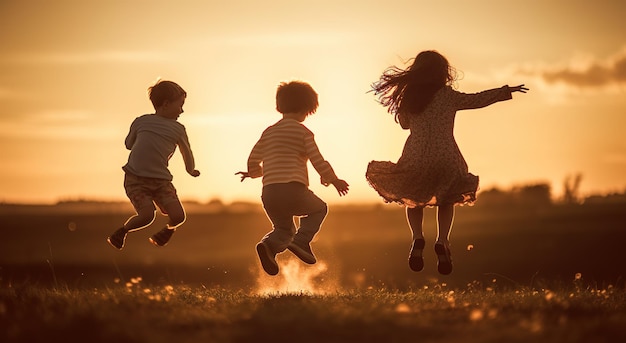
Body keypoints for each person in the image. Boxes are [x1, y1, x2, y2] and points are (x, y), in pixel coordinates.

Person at [366, 50, 528, 275]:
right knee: (447, 199)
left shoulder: (410, 98)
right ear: (442, 72)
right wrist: (503, 92)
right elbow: (476, 100)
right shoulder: (448, 95)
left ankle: (417, 238)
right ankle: (442, 240)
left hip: (416, 154)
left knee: (412, 199)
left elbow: (404, 125)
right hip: (446, 156)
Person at [237, 80, 349, 276]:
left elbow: (253, 159)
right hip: (293, 190)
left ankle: (268, 247)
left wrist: (255, 173)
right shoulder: (304, 133)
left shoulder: (269, 132)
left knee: (283, 229)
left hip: (269, 193)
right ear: (307, 108)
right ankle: (302, 240)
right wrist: (333, 179)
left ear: (280, 105)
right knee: (319, 208)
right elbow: (318, 160)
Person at [107, 80, 201, 250]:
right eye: (180, 105)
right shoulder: (141, 122)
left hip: (161, 181)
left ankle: (166, 232)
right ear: (166, 104)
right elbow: (129, 144)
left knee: (179, 216)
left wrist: (190, 169)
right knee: (146, 216)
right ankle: (123, 231)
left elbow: (186, 151)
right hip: (136, 179)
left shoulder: (178, 129)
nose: (182, 110)